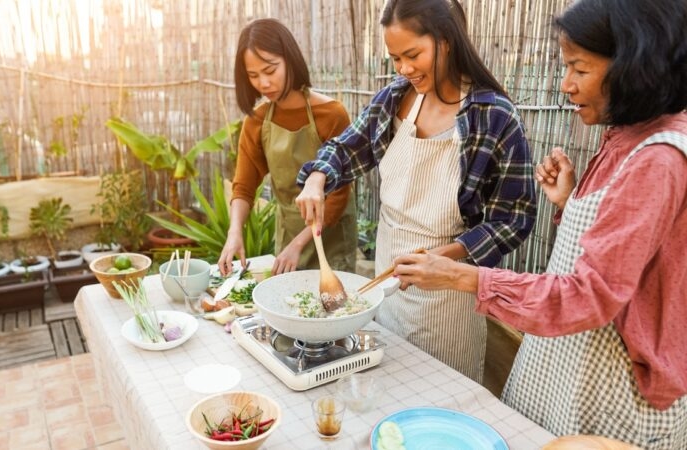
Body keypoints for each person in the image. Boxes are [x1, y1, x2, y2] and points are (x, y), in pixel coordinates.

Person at [389, 0, 687, 446]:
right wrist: (569, 202)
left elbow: (589, 295)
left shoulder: (659, 160)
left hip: (605, 383)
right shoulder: (626, 137)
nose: (565, 85)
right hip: (566, 359)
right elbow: (630, 259)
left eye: (580, 69)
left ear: (635, 64)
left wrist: (465, 276)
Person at [295, 0, 536, 383]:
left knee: (440, 397)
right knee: (385, 384)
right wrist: (317, 179)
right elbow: (343, 149)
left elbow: (514, 218)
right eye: (395, 59)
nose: (405, 69)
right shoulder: (395, 99)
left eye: (413, 55)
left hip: (448, 291)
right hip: (387, 281)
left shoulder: (494, 117)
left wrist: (444, 258)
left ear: (446, 41)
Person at [217, 18, 357, 278]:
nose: (263, 83)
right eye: (253, 75)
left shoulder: (332, 114)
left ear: (290, 60)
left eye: (270, 71)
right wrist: (234, 231)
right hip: (289, 235)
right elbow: (244, 187)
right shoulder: (256, 121)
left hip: (331, 238)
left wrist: (299, 244)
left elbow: (338, 197)